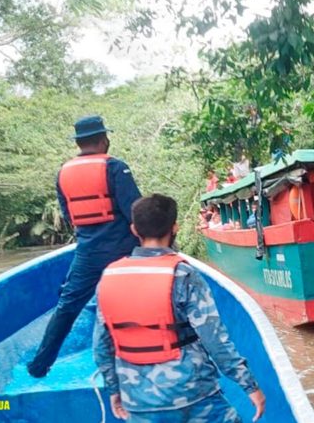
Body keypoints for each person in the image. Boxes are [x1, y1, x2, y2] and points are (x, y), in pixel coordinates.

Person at [94, 194, 266, 422]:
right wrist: (250, 386)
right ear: (174, 227)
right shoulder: (183, 274)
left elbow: (101, 346)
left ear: (135, 230)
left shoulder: (110, 275)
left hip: (138, 400)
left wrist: (114, 390)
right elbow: (215, 339)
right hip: (193, 394)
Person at [27, 115, 142, 378]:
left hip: (88, 251)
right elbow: (135, 212)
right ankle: (137, 357)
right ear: (104, 140)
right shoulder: (116, 167)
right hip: (124, 250)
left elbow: (70, 217)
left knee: (67, 306)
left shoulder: (63, 173)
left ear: (79, 143)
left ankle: (40, 365)